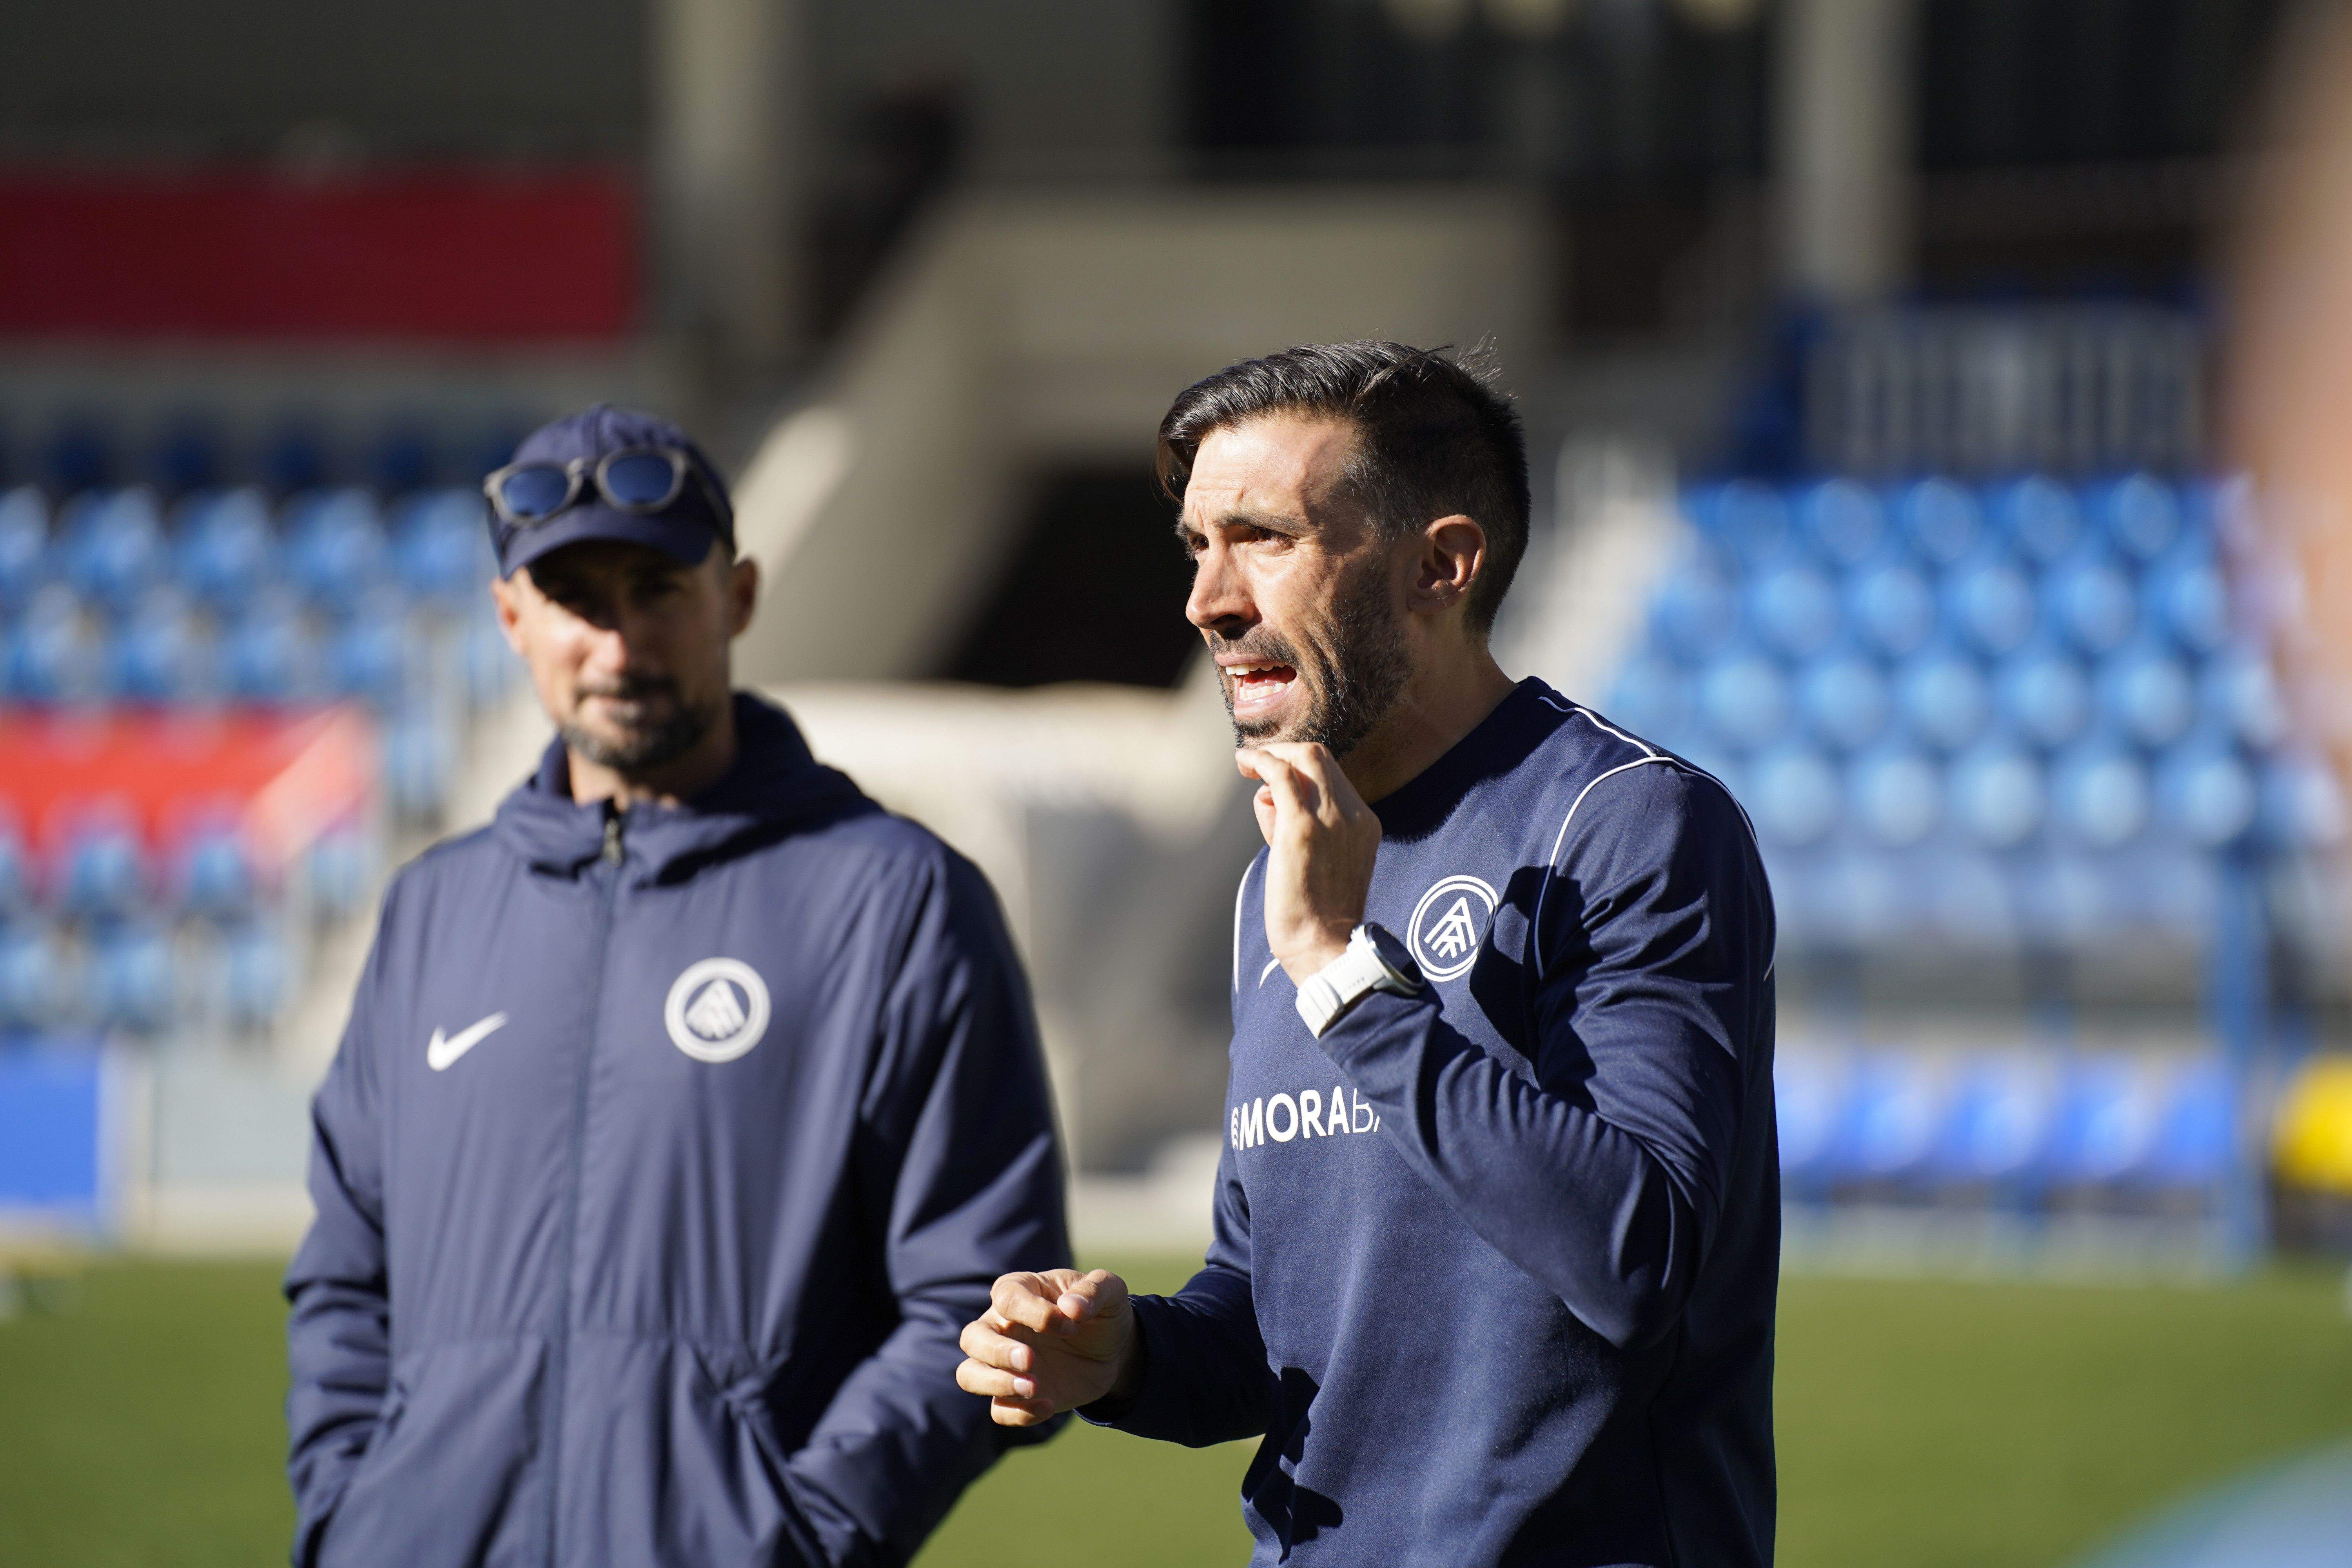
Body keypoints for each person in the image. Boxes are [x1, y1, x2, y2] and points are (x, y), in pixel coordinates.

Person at [956, 344, 1779, 1566]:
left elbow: (1640, 1256)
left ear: (1440, 567)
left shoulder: (1625, 825)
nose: (1207, 600)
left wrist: (1346, 977)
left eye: (1264, 538)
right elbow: (1270, 1320)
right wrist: (1123, 1357)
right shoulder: (1279, 882)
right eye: (1196, 545)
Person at [284, 405, 1069, 1567]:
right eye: (575, 601)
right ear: (511, 618)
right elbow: (348, 1277)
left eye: (657, 589)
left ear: (738, 598)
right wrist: (357, 1518)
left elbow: (976, 1293)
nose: (618, 643)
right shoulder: (431, 911)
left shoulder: (896, 899)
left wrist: (792, 1539)